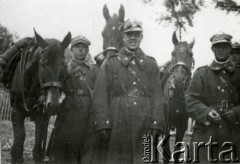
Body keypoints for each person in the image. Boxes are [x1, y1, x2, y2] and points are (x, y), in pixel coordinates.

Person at [92, 19, 165, 164]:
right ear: (123, 37)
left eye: (136, 35)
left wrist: (156, 123)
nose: (133, 38)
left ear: (141, 37)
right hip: (117, 121)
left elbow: (157, 95)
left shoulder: (151, 64)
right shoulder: (111, 63)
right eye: (129, 34)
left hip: (144, 122)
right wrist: (104, 123)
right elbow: (100, 95)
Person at [185, 33, 240, 163]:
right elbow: (190, 100)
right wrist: (206, 112)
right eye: (217, 46)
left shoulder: (238, 74)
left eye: (224, 46)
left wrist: (237, 113)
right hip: (206, 134)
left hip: (233, 134)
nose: (220, 49)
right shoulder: (201, 73)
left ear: (229, 49)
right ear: (212, 49)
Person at [48, 35, 99, 164]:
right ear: (71, 49)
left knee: (88, 145)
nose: (80, 50)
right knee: (66, 145)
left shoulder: (94, 70)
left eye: (84, 47)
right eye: (77, 47)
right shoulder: (65, 68)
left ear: (87, 50)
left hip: (89, 111)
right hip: (70, 110)